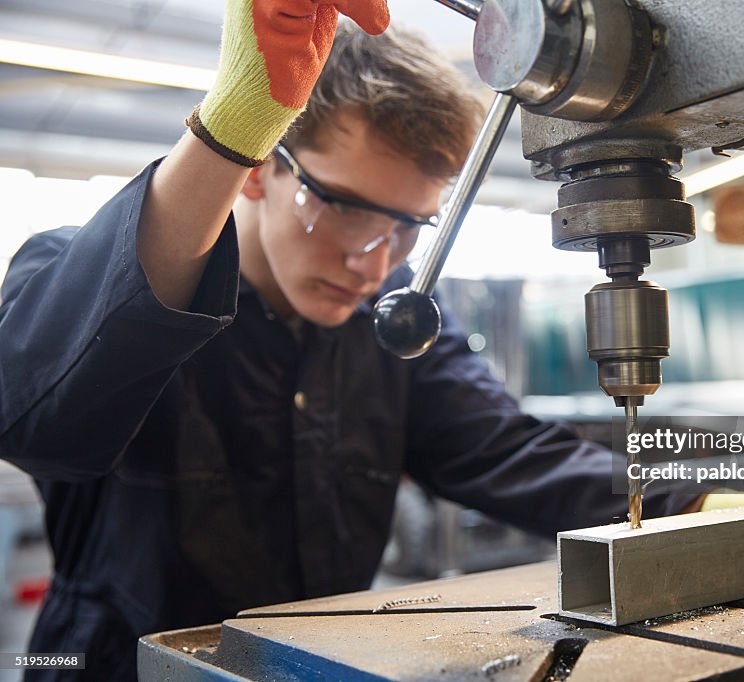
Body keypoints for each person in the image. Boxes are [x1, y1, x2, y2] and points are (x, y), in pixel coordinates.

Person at [0, 2, 700, 679]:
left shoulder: (393, 322)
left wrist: (704, 504)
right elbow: (35, 422)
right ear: (256, 166)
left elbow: (510, 453)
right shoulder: (79, 274)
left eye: (407, 227)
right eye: (343, 208)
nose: (373, 261)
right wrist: (231, 120)